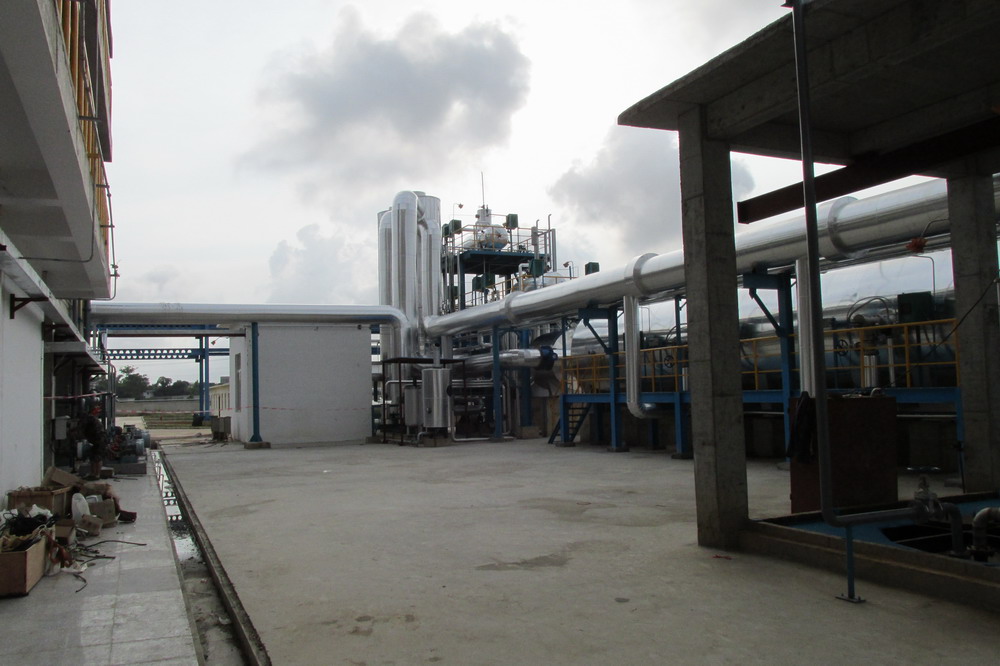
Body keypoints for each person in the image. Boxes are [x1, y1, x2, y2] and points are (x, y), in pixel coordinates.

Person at [79, 404, 108, 481]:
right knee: (92, 457)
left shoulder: (90, 419)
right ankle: (93, 473)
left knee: (97, 457)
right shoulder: (91, 419)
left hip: (99, 440)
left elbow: (83, 429)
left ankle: (96, 474)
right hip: (96, 440)